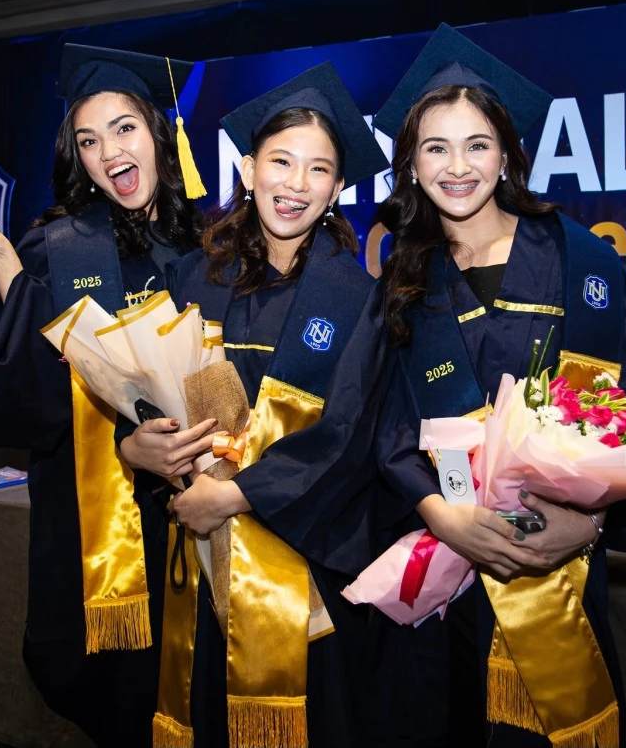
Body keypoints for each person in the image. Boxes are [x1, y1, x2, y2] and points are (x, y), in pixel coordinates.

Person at [363, 24, 626, 748]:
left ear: (506, 154)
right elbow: (385, 423)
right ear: (412, 166)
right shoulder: (404, 278)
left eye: (477, 145)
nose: (457, 166)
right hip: (439, 569)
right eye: (435, 148)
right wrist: (440, 513)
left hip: (555, 563)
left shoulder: (580, 262)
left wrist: (591, 523)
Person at [0, 44, 214, 747]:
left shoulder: (210, 245)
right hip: (111, 527)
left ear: (159, 132)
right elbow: (31, 402)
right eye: (88, 140)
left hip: (206, 514)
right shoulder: (59, 248)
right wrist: (7, 272)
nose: (109, 152)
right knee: (126, 700)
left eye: (124, 128)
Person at [134, 62, 389, 748]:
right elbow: (151, 394)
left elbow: (352, 438)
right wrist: (148, 446)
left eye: (318, 170)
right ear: (248, 170)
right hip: (203, 549)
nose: (296, 183)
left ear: (337, 188)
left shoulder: (358, 299)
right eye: (281, 161)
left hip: (307, 570)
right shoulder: (193, 278)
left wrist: (237, 494)